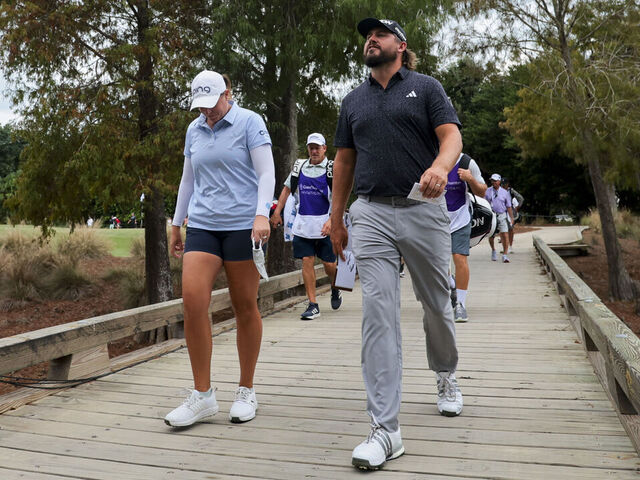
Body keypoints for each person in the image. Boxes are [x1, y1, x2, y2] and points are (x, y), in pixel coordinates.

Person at [330, 17, 464, 470]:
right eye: (367, 34)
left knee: (436, 304)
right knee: (378, 314)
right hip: (369, 212)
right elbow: (344, 162)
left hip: (422, 209)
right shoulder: (353, 101)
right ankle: (385, 429)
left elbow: (451, 138)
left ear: (401, 46)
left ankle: (445, 375)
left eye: (380, 34)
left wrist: (442, 167)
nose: (370, 39)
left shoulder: (426, 88)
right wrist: (336, 219)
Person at [164, 70, 275, 427]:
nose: (207, 112)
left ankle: (246, 389)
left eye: (212, 105)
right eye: (201, 106)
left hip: (243, 226)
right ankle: (202, 395)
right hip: (203, 225)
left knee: (245, 305)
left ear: (228, 93)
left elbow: (266, 174)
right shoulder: (194, 129)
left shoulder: (249, 122)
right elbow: (188, 178)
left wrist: (262, 214)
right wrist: (176, 222)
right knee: (193, 300)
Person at [270, 132, 342, 320]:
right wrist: (277, 212)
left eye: (318, 147)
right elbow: (287, 189)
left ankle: (336, 287)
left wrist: (332, 221)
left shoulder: (332, 168)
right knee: (307, 260)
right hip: (303, 224)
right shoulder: (299, 166)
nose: (314, 150)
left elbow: (339, 197)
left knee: (329, 264)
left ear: (325, 148)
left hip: (325, 223)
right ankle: (313, 304)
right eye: (311, 147)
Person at [445, 153, 487, 323]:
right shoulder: (429, 155)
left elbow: (482, 191)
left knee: (459, 258)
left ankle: (460, 304)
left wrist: (470, 179)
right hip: (435, 220)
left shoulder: (466, 162)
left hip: (460, 218)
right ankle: (451, 285)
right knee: (438, 263)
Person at [485, 173, 514, 263]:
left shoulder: (505, 192)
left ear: (499, 181)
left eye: (495, 181)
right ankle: (493, 250)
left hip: (502, 214)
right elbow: (484, 203)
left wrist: (511, 218)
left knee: (505, 234)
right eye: (492, 181)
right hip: (492, 215)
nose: (493, 182)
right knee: (491, 235)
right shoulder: (488, 191)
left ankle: (505, 255)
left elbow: (508, 206)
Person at [501, 178, 524, 253]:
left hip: (509, 211)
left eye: (504, 184)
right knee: (503, 229)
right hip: (501, 211)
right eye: (502, 184)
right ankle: (505, 247)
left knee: (510, 229)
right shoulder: (498, 190)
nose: (503, 185)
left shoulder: (511, 191)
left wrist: (517, 207)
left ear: (507, 184)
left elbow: (521, 198)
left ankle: (510, 246)